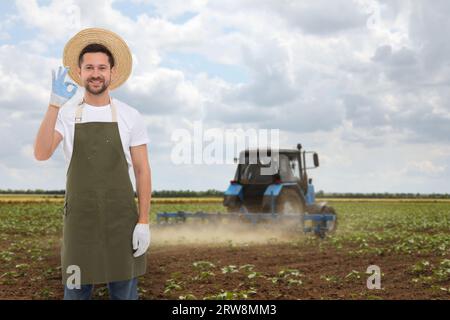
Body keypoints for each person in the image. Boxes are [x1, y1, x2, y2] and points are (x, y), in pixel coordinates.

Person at [33, 28, 151, 300]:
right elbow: (41, 153)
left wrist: (143, 221)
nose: (95, 73)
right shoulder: (65, 114)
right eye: (89, 67)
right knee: (75, 293)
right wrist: (53, 105)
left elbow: (143, 171)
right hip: (80, 226)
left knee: (124, 295)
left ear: (112, 72)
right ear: (79, 72)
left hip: (121, 223)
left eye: (101, 67)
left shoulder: (130, 116)